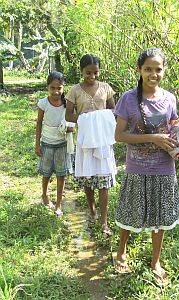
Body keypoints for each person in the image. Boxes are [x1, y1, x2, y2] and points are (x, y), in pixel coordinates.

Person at [114, 48, 179, 283]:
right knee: (131, 211)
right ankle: (121, 251)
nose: (153, 74)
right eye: (148, 69)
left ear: (164, 70)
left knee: (160, 216)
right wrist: (152, 138)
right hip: (138, 166)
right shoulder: (128, 99)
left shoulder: (170, 98)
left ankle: (156, 261)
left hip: (164, 166)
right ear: (139, 70)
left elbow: (174, 127)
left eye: (158, 69)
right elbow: (119, 136)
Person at [65, 54, 116, 235]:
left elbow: (112, 110)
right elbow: (68, 115)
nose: (92, 76)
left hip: (102, 140)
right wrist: (86, 119)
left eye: (95, 72)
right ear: (81, 71)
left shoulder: (106, 88)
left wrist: (101, 119)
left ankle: (104, 221)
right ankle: (92, 209)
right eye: (88, 72)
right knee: (88, 177)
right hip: (86, 141)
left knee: (103, 181)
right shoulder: (75, 91)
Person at [35, 71, 74, 217]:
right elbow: (39, 123)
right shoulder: (43, 103)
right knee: (46, 173)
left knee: (61, 174)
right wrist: (37, 144)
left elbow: (73, 121)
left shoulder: (67, 104)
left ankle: (58, 204)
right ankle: (44, 195)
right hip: (47, 143)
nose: (56, 91)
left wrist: (70, 129)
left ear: (64, 88)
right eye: (52, 88)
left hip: (62, 144)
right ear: (47, 88)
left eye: (59, 88)